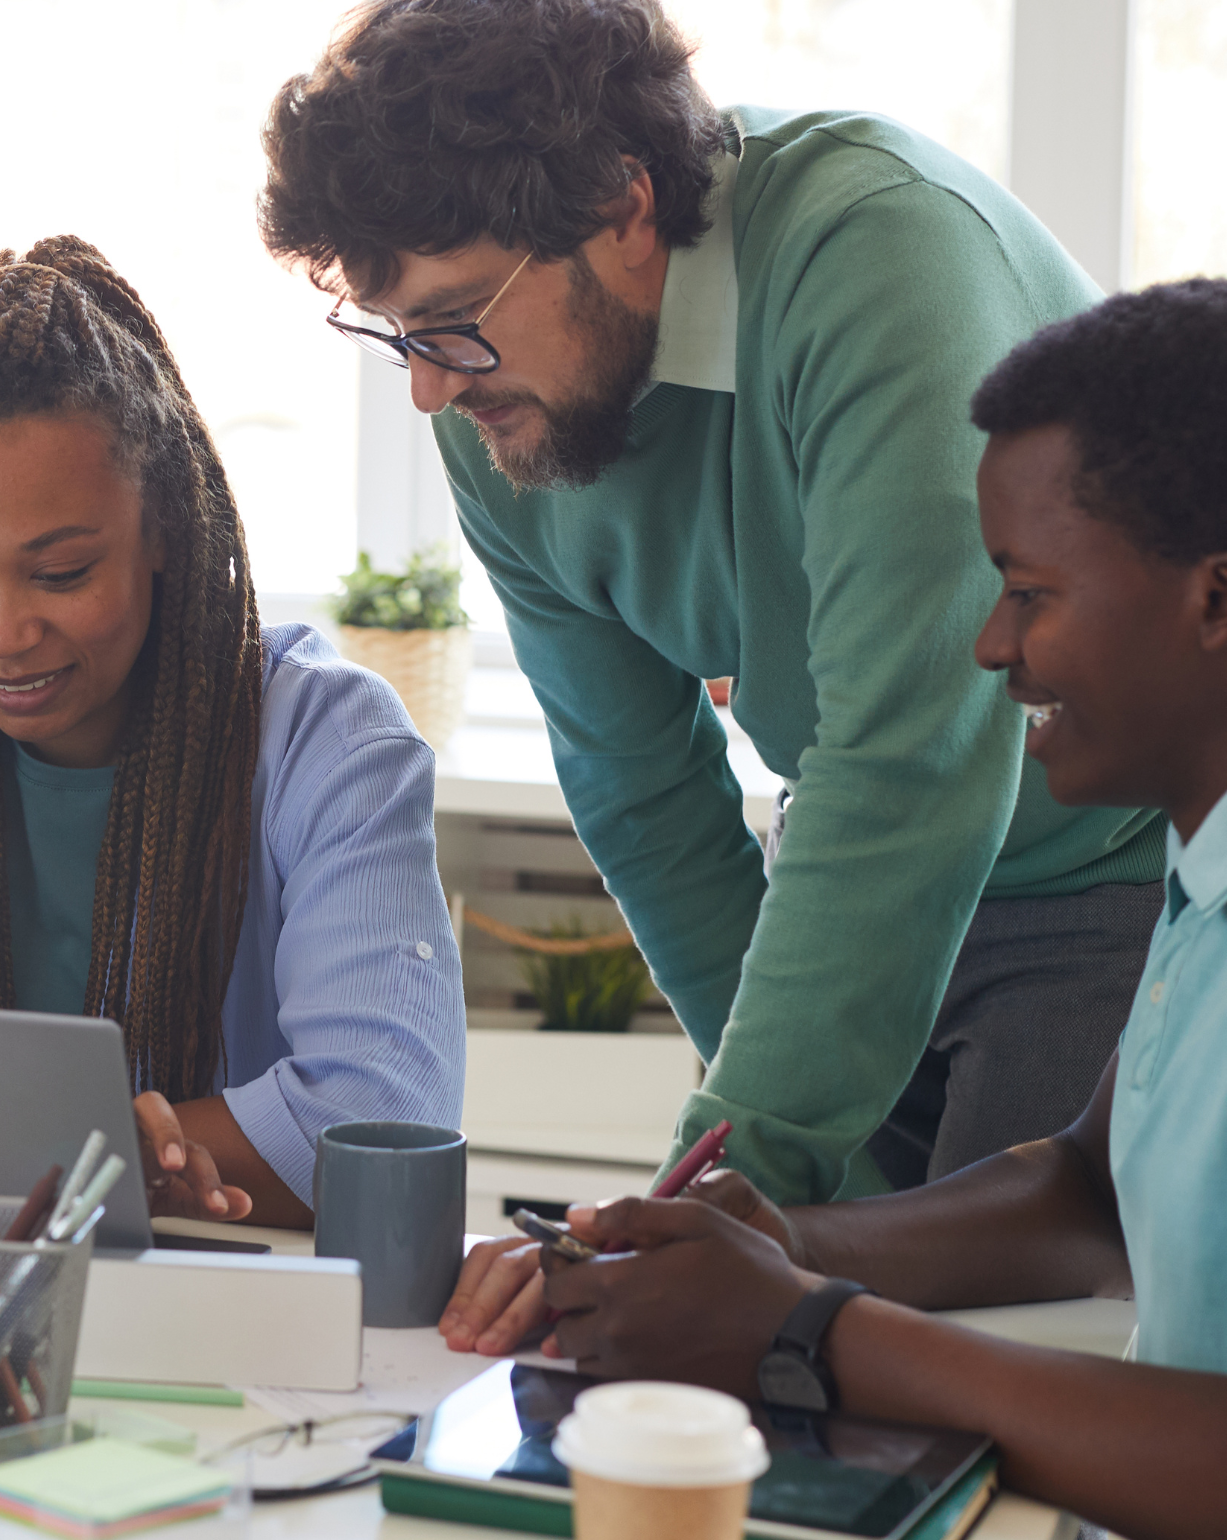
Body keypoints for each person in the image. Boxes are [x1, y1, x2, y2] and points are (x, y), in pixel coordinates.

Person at [258, 0, 1160, 1208]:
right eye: (398, 333)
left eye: (457, 317)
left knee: (970, 1342)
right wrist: (740, 1180)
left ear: (625, 210)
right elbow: (640, 792)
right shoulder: (486, 398)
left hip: (1095, 871)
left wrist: (721, 1195)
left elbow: (906, 757)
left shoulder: (876, 253)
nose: (429, 385)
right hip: (845, 872)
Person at [433, 282, 1227, 1539]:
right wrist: (781, 1241)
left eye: (1029, 591)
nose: (985, 644)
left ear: (1211, 599)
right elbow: (1086, 1192)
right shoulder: (1201, 873)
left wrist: (809, 1324)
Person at [0, 238, 464, 1226]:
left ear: (161, 534)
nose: (2, 633)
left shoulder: (326, 742)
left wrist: (57, 1154)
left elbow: (377, 1124)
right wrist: (121, 1149)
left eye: (58, 572)